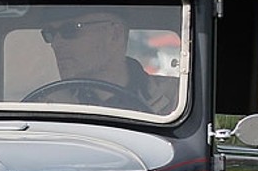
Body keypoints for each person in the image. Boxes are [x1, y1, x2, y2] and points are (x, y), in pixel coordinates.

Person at [33, 8, 177, 113]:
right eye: (50, 33)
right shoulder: (45, 106)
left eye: (70, 29)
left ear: (115, 34)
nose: (56, 44)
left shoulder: (177, 99)